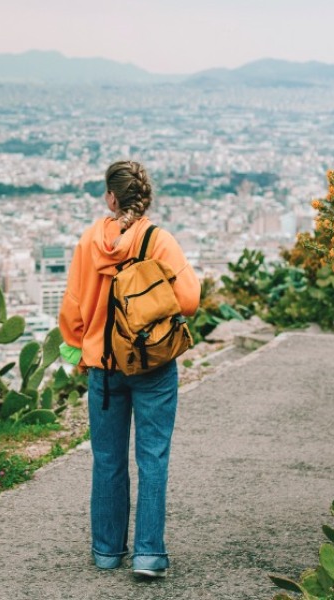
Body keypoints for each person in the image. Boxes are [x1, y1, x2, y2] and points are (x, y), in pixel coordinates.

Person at [58, 160, 200, 578]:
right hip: (151, 362)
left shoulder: (89, 242)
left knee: (107, 459)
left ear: (111, 198)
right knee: (152, 457)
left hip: (103, 365)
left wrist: (77, 354)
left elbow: (72, 308)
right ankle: (148, 555)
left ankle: (106, 552)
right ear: (145, 198)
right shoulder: (158, 241)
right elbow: (189, 300)